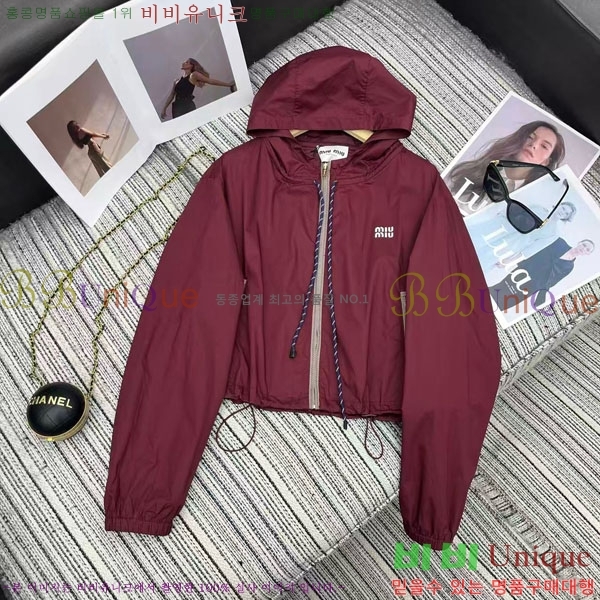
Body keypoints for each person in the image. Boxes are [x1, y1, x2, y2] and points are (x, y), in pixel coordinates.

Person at [447, 120, 566, 198]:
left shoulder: (531, 198)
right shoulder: (473, 169)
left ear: (546, 162)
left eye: (544, 146)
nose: (534, 145)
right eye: (530, 137)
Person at [467, 200, 577, 277]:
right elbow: (513, 210)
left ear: (566, 217)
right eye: (563, 208)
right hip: (502, 229)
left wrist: (510, 261)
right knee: (471, 241)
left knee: (481, 261)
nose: (563, 212)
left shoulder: (553, 233)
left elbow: (533, 249)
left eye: (566, 213)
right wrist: (501, 215)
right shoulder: (538, 208)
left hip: (510, 245)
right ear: (559, 205)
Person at [489, 237, 595, 310]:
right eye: (584, 245)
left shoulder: (569, 267)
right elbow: (533, 250)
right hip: (524, 271)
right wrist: (510, 261)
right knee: (498, 289)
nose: (583, 248)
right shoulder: (559, 242)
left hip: (533, 286)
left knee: (506, 303)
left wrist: (541, 294)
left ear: (587, 254)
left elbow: (552, 281)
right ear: (579, 242)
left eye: (587, 249)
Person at [160, 58, 237, 120]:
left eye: (187, 62)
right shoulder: (176, 81)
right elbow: (171, 95)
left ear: (191, 66)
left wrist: (228, 85)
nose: (184, 63)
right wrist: (164, 108)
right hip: (177, 107)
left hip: (187, 105)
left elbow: (210, 81)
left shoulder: (193, 75)